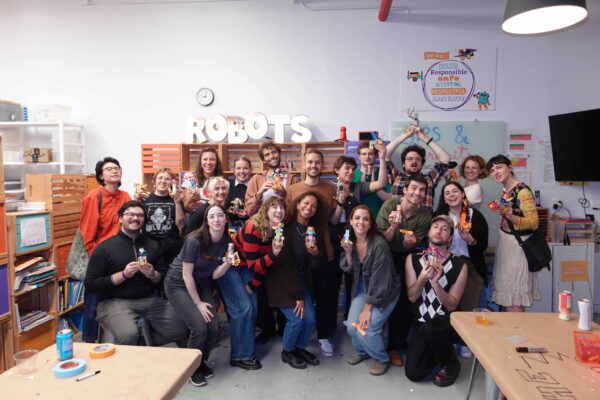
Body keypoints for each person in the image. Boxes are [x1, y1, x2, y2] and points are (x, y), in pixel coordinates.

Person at [84, 201, 187, 347]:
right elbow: (90, 284)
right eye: (130, 214)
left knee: (180, 329)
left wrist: (153, 274)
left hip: (150, 299)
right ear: (120, 218)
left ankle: (139, 346)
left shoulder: (152, 245)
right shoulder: (105, 248)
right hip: (115, 301)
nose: (135, 218)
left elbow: (163, 276)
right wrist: (123, 275)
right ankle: (130, 354)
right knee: (128, 335)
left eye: (139, 215)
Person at [164, 204, 235, 387]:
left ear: (226, 219)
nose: (217, 219)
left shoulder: (226, 241)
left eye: (220, 215)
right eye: (212, 216)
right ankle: (191, 368)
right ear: (207, 221)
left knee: (213, 326)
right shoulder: (194, 240)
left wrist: (228, 262)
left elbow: (215, 275)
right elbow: (186, 275)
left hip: (201, 282)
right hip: (178, 283)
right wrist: (198, 304)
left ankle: (200, 363)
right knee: (199, 327)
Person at [405, 214, 468, 387]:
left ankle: (451, 364)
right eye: (435, 226)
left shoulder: (459, 265)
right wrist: (422, 278)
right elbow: (412, 297)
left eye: (445, 228)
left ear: (449, 238)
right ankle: (439, 351)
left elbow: (452, 304)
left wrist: (435, 283)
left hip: (445, 322)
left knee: (433, 327)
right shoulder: (412, 259)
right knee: (413, 373)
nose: (439, 230)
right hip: (421, 321)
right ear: (428, 232)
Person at [286, 148, 338, 356]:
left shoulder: (330, 188)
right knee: (301, 293)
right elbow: (288, 218)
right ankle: (298, 336)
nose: (313, 166)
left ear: (322, 165)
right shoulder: (293, 189)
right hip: (298, 251)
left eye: (317, 162)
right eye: (310, 162)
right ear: (304, 164)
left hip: (323, 247)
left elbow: (334, 219)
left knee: (325, 295)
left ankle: (324, 335)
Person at [376, 174, 432, 366]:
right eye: (414, 188)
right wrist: (393, 227)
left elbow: (414, 246)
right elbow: (381, 239)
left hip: (408, 258)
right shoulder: (390, 206)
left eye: (422, 190)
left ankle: (399, 343)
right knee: (386, 299)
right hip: (385, 256)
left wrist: (411, 244)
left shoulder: (424, 215)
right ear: (405, 190)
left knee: (406, 300)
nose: (417, 193)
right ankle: (387, 345)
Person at [267, 192, 327, 369]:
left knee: (310, 319)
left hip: (300, 280)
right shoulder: (285, 229)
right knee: (297, 319)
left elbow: (317, 265)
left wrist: (315, 253)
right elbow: (284, 266)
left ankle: (299, 347)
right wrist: (298, 296)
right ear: (298, 204)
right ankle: (287, 351)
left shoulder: (314, 231)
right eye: (306, 203)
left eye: (314, 206)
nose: (309, 208)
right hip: (281, 281)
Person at [341, 206, 401, 376]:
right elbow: (348, 269)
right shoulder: (350, 240)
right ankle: (362, 351)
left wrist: (367, 309)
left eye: (365, 219)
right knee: (353, 327)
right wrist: (348, 253)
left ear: (370, 223)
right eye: (357, 218)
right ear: (351, 221)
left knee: (367, 327)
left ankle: (382, 358)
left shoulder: (379, 244)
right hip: (363, 287)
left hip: (385, 289)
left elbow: (381, 280)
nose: (361, 222)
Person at [331, 144, 388, 319]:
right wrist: (340, 202)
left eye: (352, 169)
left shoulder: (358, 187)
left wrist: (383, 158)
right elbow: (333, 221)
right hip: (334, 239)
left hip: (355, 238)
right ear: (336, 171)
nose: (350, 172)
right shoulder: (330, 190)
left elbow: (381, 183)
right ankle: (335, 323)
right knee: (333, 282)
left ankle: (353, 317)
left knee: (353, 279)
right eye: (346, 168)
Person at [434, 181, 489, 359]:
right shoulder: (440, 217)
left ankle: (466, 342)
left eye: (455, 191)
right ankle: (449, 340)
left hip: (470, 264)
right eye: (447, 192)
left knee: (469, 303)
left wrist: (470, 239)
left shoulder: (475, 216)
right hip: (446, 263)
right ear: (444, 198)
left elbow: (483, 245)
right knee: (447, 304)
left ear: (462, 194)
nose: (451, 195)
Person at [80, 156, 131, 343]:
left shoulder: (125, 196)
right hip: (101, 259)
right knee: (93, 305)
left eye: (117, 168)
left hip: (122, 257)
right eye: (109, 169)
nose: (115, 171)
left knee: (122, 302)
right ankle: (89, 342)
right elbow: (87, 234)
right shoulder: (94, 196)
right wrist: (99, 259)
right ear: (101, 175)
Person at [487, 155, 540, 312]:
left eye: (499, 167)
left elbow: (534, 222)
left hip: (518, 247)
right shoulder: (506, 190)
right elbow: (509, 214)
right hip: (507, 245)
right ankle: (513, 332)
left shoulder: (522, 191)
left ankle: (518, 333)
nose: (495, 171)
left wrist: (511, 216)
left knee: (514, 298)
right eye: (492, 170)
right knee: (508, 296)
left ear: (510, 167)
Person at [385, 126, 450, 209]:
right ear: (403, 164)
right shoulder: (396, 177)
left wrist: (424, 138)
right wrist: (404, 136)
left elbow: (445, 158)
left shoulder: (429, 179)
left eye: (418, 159)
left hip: (424, 221)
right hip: (397, 221)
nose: (414, 162)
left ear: (422, 164)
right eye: (409, 159)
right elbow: (385, 155)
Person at [141, 168, 185, 266]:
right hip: (149, 246)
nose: (163, 181)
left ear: (172, 183)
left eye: (167, 179)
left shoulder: (176, 200)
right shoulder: (144, 199)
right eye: (160, 178)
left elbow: (181, 224)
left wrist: (177, 203)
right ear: (154, 181)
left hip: (171, 247)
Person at [245, 141, 298, 216]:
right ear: (263, 160)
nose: (272, 156)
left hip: (285, 225)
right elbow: (249, 212)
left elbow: (297, 209)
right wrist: (259, 194)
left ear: (279, 154)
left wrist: (284, 194)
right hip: (262, 226)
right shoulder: (256, 179)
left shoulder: (292, 179)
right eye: (267, 155)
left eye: (274, 152)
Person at [353, 141, 392, 217]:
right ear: (359, 156)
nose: (367, 157)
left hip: (380, 218)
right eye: (364, 154)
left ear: (376, 156)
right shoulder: (352, 175)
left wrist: (376, 185)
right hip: (359, 220)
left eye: (370, 154)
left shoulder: (383, 174)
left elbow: (389, 200)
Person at [182, 147, 224, 212]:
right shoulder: (191, 181)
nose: (208, 162)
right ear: (200, 163)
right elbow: (186, 208)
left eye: (212, 159)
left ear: (217, 163)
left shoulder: (222, 182)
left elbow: (223, 207)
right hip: (196, 220)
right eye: (205, 159)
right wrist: (192, 199)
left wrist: (204, 205)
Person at [225, 156, 253, 233]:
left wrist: (248, 213)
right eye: (238, 168)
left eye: (245, 168)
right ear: (234, 170)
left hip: (250, 231)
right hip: (227, 231)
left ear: (251, 170)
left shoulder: (256, 186)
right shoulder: (226, 185)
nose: (242, 171)